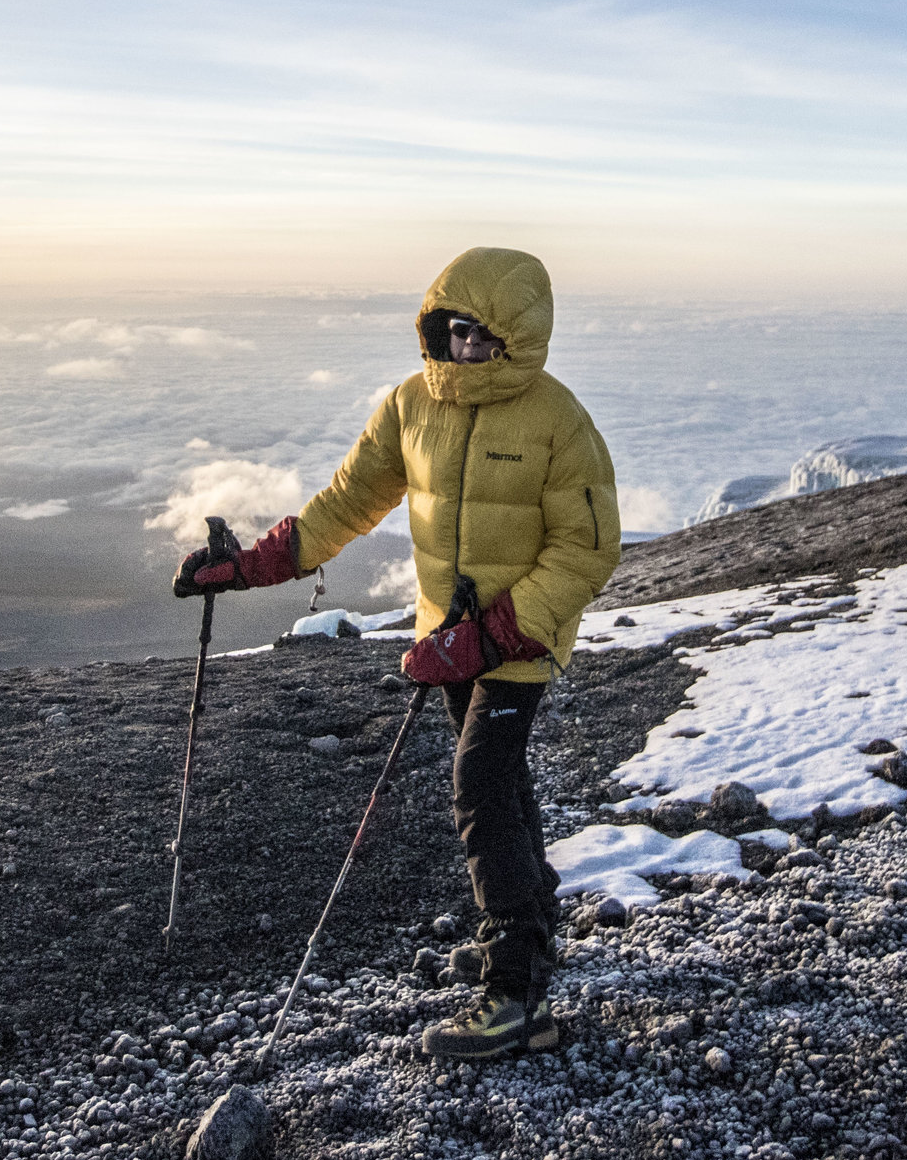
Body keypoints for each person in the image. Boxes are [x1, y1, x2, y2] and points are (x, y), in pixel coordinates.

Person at [175, 247, 622, 1059]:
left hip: (516, 641)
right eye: (456, 331)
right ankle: (537, 922)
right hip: (444, 640)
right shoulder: (411, 406)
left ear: (519, 338)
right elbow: (348, 500)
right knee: (501, 773)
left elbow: (586, 549)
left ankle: (515, 990)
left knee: (479, 779)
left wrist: (486, 636)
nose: (468, 350)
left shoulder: (560, 420)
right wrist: (247, 568)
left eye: (485, 337)